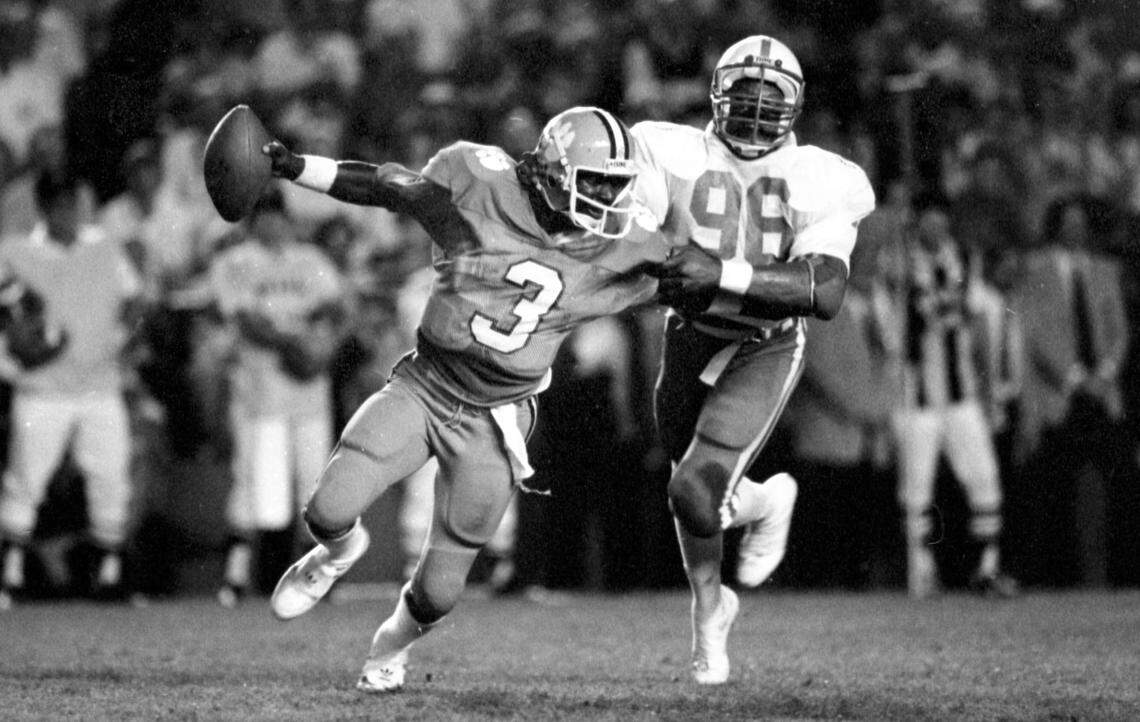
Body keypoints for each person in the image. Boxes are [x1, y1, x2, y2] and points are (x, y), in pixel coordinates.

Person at [261, 106, 669, 693]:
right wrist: (296, 167)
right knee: (326, 511)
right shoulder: (478, 183)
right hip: (428, 385)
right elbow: (387, 187)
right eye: (597, 182)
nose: (610, 199)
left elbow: (692, 280)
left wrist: (766, 292)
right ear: (555, 172)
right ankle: (338, 553)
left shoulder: (621, 249)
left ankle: (389, 646)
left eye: (615, 185)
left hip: (497, 419)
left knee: (439, 592)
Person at [629, 35, 876, 684]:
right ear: (718, 91)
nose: (758, 109)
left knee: (692, 487)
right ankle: (712, 606)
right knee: (692, 499)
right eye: (747, 93)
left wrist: (722, 273)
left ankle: (756, 514)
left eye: (773, 98)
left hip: (765, 341)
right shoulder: (669, 147)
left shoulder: (824, 176)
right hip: (689, 332)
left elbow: (823, 291)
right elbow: (640, 240)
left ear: (795, 107)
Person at [0, 173, 142, 609]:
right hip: (42, 388)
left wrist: (120, 342)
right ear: (44, 209)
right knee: (26, 481)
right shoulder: (15, 251)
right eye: (61, 206)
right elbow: (7, 312)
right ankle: (9, 576)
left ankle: (109, 574)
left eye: (74, 205)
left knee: (111, 479)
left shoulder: (105, 247)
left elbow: (135, 300)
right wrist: (16, 348)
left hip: (99, 385)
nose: (71, 214)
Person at [205, 188, 350, 606]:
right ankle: (235, 576)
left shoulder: (310, 260)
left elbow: (336, 309)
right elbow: (245, 319)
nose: (272, 223)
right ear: (252, 222)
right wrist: (295, 343)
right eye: (263, 216)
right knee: (253, 483)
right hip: (260, 391)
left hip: (308, 392)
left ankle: (314, 577)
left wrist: (323, 347)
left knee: (313, 485)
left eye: (278, 215)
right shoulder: (236, 262)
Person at [891, 206, 1018, 599]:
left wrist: (987, 386)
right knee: (917, 486)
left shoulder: (963, 260)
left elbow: (978, 324)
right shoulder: (898, 264)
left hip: (961, 391)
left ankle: (988, 566)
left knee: (984, 478)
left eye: (942, 222)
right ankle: (922, 570)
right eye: (928, 222)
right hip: (917, 395)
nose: (937, 230)